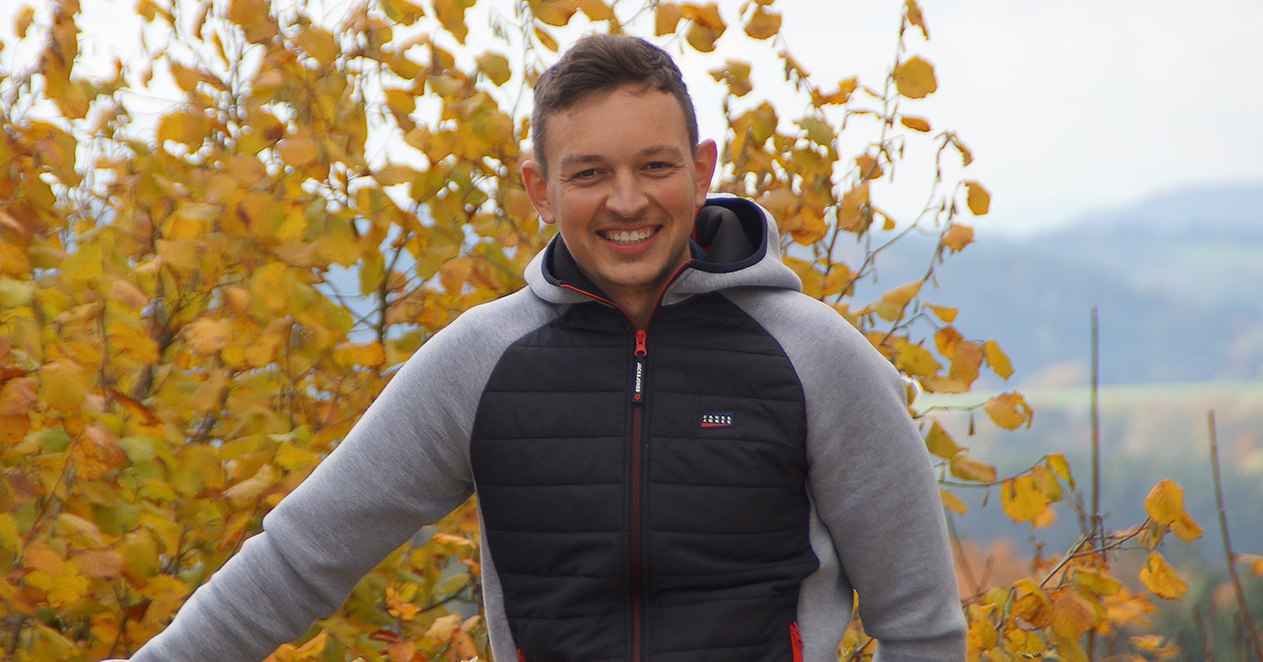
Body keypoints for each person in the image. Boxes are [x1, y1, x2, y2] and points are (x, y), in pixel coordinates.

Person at [123, 34, 965, 662]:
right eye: (589, 172)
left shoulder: (818, 358)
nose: (626, 201)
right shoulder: (478, 362)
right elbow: (300, 558)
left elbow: (920, 623)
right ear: (540, 187)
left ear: (703, 169)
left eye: (655, 166)